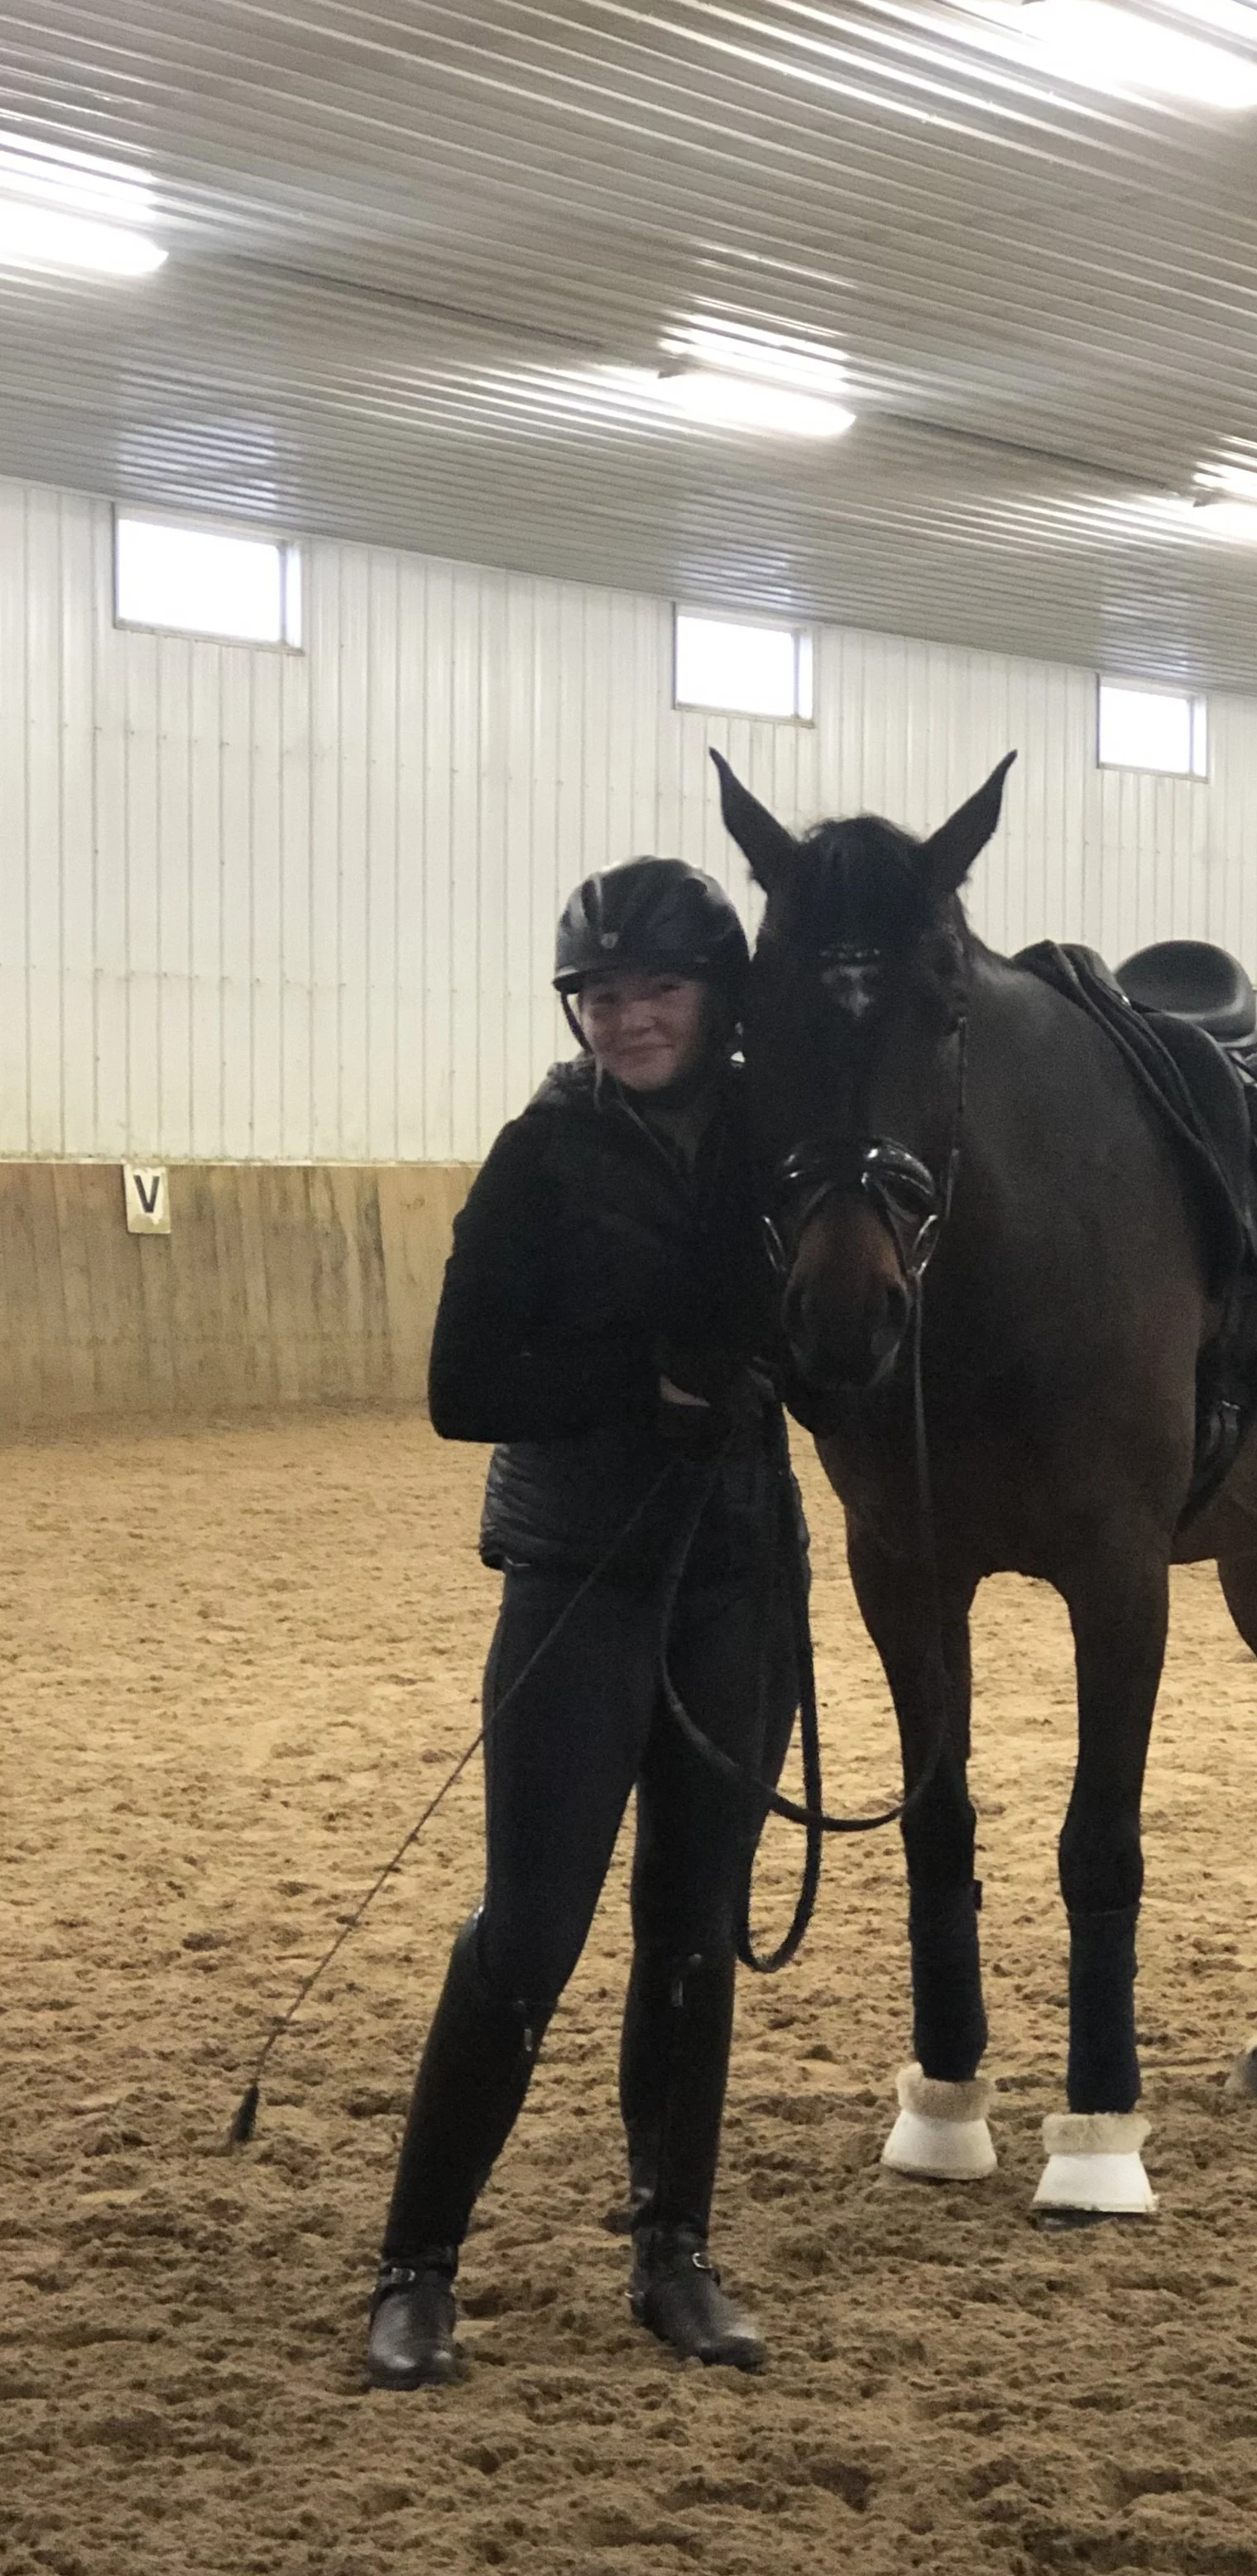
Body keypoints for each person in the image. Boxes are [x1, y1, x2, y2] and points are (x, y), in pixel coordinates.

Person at [363, 855, 794, 2391]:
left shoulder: (776, 1148)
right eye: (604, 995)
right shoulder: (540, 1157)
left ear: (719, 1001)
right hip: (583, 1577)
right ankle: (417, 2265)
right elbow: (461, 1390)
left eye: (658, 990)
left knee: (691, 1930)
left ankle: (673, 2250)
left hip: (740, 1574)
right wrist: (647, 1387)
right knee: (532, 1928)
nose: (627, 1017)